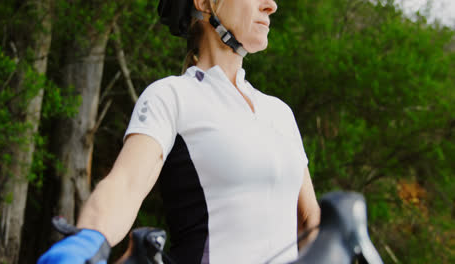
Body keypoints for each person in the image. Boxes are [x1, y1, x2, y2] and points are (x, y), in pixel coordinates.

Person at [38, 0, 321, 263]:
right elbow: (126, 185)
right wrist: (89, 238)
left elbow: (311, 221)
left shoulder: (280, 113)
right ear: (203, 2)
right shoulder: (172, 97)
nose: (271, 5)